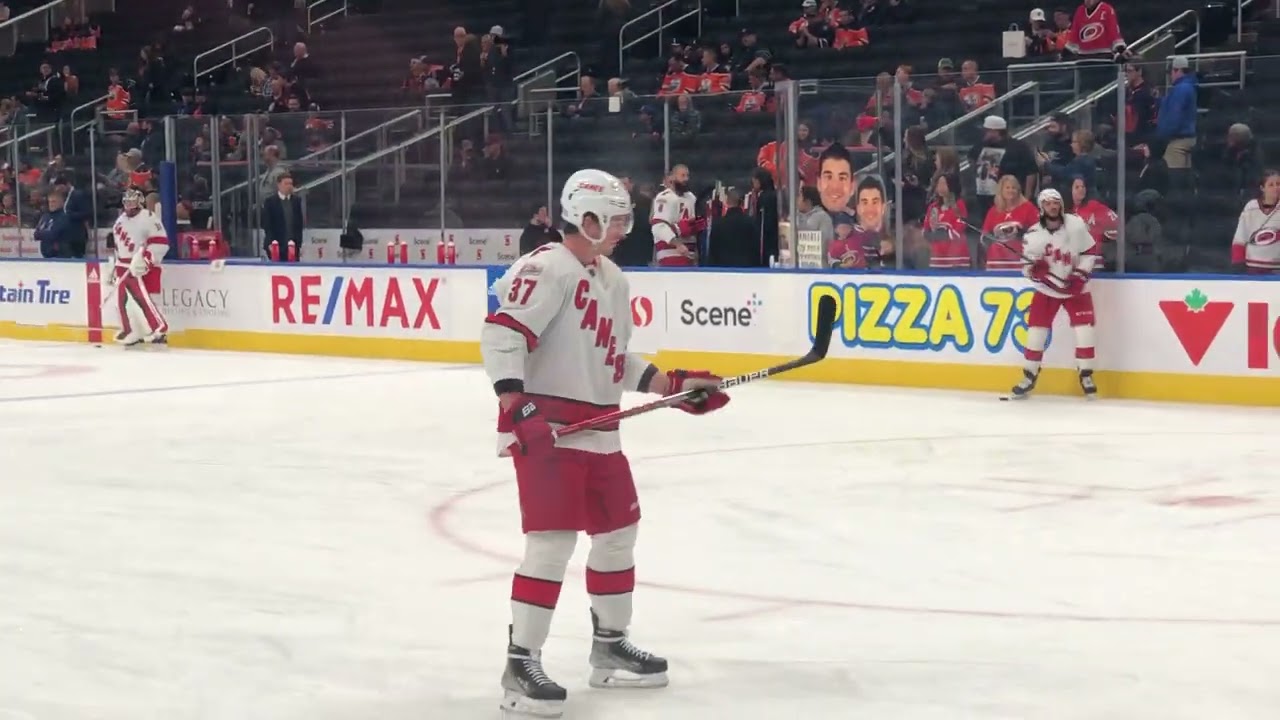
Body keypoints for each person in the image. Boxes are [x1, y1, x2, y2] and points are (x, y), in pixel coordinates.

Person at [481, 169, 730, 718]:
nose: (623, 228)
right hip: (548, 431)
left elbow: (613, 358)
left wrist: (673, 384)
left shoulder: (612, 278)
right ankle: (520, 664)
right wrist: (514, 406)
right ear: (586, 218)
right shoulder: (545, 267)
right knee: (551, 544)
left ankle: (609, 646)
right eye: (615, 220)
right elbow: (502, 335)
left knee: (618, 534)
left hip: (600, 432)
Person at [1008, 188, 1099, 399]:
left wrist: (1080, 274)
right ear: (1042, 207)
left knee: (1085, 330)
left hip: (1077, 288)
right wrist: (1036, 272)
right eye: (1048, 203)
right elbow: (1026, 267)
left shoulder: (1075, 224)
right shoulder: (1033, 235)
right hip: (1047, 290)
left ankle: (1086, 374)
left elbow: (1090, 252)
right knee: (1036, 331)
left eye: (1056, 202)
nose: (1053, 206)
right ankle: (1029, 375)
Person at [109, 188, 169, 346]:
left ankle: (158, 330)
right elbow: (117, 247)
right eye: (126, 201)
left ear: (140, 201)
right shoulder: (120, 220)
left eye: (132, 201)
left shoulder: (149, 217)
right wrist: (113, 267)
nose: (129, 205)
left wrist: (147, 259)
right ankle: (130, 329)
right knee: (122, 301)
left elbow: (161, 242)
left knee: (146, 300)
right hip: (123, 266)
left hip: (141, 267)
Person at [650, 164, 701, 266]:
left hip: (690, 253)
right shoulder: (665, 197)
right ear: (672, 177)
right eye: (682, 175)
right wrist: (677, 243)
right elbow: (658, 227)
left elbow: (692, 225)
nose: (686, 179)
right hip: (670, 252)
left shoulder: (691, 198)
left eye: (687, 175)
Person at [261, 173, 304, 260]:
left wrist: (298, 243)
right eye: (286, 184)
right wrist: (270, 243)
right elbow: (267, 225)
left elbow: (299, 223)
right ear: (279, 185)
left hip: (293, 246)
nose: (289, 186)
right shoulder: (270, 202)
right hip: (276, 244)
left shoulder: (296, 201)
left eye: (291, 184)